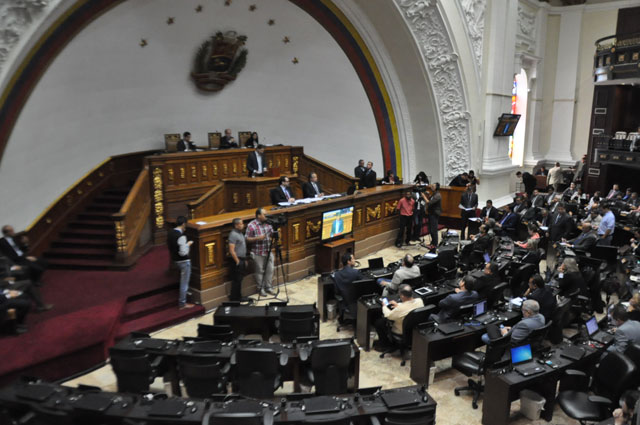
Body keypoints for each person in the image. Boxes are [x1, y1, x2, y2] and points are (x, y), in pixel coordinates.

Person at [373, 284, 424, 352]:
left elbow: (388, 315)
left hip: (401, 331)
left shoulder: (400, 309)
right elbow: (408, 308)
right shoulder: (419, 301)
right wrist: (398, 305)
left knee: (379, 323)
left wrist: (384, 306)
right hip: (415, 329)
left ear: (402, 296)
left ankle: (384, 345)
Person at [246, 208, 275, 297]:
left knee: (270, 270)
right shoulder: (251, 225)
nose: (266, 216)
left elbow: (272, 233)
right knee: (259, 271)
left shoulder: (268, 223)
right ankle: (260, 288)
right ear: (259, 216)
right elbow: (247, 239)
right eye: (264, 215)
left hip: (268, 250)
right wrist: (258, 238)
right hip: (258, 252)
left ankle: (268, 287)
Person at [167, 216, 194, 309]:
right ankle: (182, 303)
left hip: (175, 260)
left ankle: (184, 298)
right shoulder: (181, 236)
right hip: (183, 261)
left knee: (183, 281)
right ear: (183, 224)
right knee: (184, 283)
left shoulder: (170, 233)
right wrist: (188, 244)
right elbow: (183, 253)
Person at [228, 218, 249, 302]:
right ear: (236, 225)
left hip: (242, 259)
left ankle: (239, 297)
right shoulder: (233, 234)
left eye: (242, 223)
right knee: (236, 280)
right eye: (241, 224)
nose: (242, 225)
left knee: (240, 280)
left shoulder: (240, 233)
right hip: (237, 260)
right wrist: (237, 261)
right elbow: (231, 250)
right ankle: (234, 298)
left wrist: (245, 259)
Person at [426, 183, 442, 247]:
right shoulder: (434, 194)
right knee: (430, 229)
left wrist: (423, 196)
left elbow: (429, 203)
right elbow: (431, 199)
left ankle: (435, 244)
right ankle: (432, 243)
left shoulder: (438, 195)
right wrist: (429, 195)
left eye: (433, 186)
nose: (431, 187)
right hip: (431, 213)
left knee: (434, 229)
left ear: (436, 188)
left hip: (434, 214)